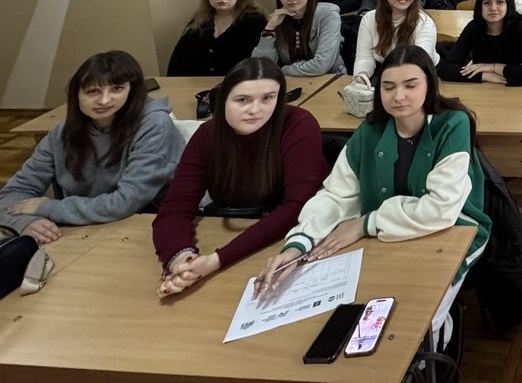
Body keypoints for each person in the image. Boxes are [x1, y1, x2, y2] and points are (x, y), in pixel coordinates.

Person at [255, 46, 491, 348]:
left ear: (430, 85)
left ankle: (439, 343)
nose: (399, 96)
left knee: (417, 326)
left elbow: (441, 208)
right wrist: (298, 244)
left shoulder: (452, 124)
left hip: (451, 233)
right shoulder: (370, 131)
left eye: (410, 85)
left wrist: (365, 223)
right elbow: (336, 195)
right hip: (387, 236)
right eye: (388, 87)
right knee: (369, 319)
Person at [152, 58, 327, 297]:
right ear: (223, 99)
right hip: (230, 231)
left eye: (268, 98)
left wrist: (216, 260)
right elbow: (175, 207)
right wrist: (182, 260)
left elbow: (296, 207)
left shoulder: (298, 125)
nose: (255, 109)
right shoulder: (208, 135)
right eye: (242, 100)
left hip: (288, 238)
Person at [0, 50, 184, 243]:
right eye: (92, 91)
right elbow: (12, 193)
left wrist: (49, 208)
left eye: (117, 89)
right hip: (90, 228)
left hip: (150, 224)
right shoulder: (61, 134)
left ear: (132, 91)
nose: (104, 100)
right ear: (76, 95)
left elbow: (127, 202)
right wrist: (23, 222)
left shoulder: (154, 124)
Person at [438, 0, 522, 86]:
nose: (493, 8)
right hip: (486, 86)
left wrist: (493, 67)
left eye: (500, 2)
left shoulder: (521, 27)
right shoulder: (474, 27)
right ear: (480, 6)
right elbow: (446, 69)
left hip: (517, 87)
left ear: (508, 4)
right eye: (487, 3)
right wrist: (484, 75)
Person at [167, 0, 266, 77]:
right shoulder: (199, 21)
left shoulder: (255, 21)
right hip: (195, 85)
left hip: (239, 84)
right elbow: (177, 63)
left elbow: (261, 64)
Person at [353, 0, 440, 84]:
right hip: (387, 71)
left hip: (420, 74)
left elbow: (419, 63)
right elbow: (365, 57)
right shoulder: (368, 19)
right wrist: (361, 75)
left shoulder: (425, 22)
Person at [252, 0, 345, 76]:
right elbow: (260, 66)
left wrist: (284, 70)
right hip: (293, 80)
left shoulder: (327, 14)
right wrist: (270, 28)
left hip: (331, 78)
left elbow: (322, 65)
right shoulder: (279, 17)